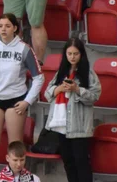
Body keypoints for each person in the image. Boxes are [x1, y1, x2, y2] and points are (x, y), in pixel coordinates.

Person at [0, 13, 43, 182]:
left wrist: (27, 101)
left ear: (15, 28)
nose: (3, 29)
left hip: (15, 102)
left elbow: (39, 77)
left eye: (7, 26)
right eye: (0, 26)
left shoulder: (24, 48)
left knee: (15, 148)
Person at [41, 38, 99, 182]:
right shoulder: (61, 72)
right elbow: (47, 93)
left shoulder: (88, 72)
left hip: (79, 125)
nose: (72, 57)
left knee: (81, 162)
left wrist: (77, 89)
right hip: (62, 125)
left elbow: (95, 96)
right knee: (68, 161)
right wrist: (59, 88)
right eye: (69, 54)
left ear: (81, 55)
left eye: (75, 54)